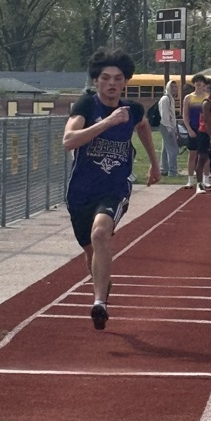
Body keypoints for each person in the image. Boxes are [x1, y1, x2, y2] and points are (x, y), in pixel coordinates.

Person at [62, 47, 161, 330]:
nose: (112, 84)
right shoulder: (85, 106)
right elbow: (69, 140)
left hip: (115, 187)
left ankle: (99, 303)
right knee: (91, 250)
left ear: (125, 82)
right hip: (80, 192)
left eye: (118, 78)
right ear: (96, 81)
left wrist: (154, 164)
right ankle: (102, 285)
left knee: (101, 232)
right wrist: (107, 122)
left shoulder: (132, 110)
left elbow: (142, 126)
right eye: (105, 78)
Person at [182, 74, 210, 190]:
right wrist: (188, 129)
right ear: (194, 84)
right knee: (192, 155)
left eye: (200, 81)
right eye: (196, 81)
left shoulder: (208, 97)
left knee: (205, 155)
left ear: (204, 84)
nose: (198, 83)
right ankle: (190, 180)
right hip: (193, 128)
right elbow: (185, 115)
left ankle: (206, 179)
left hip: (205, 129)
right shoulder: (188, 98)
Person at [158, 81, 179, 177]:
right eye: (172, 87)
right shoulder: (165, 99)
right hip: (166, 125)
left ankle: (164, 169)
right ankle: (173, 171)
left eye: (175, 87)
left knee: (166, 149)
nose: (174, 88)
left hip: (169, 126)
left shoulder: (171, 99)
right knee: (173, 149)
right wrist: (170, 128)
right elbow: (164, 116)